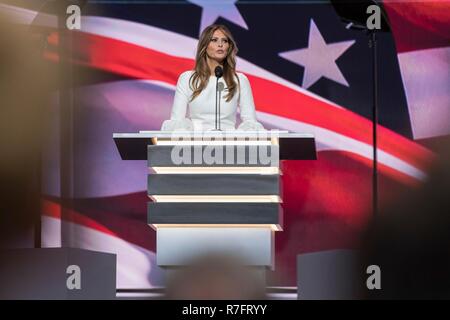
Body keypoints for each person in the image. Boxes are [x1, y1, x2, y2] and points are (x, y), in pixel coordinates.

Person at [161, 24, 264, 132]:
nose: (220, 44)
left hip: (229, 144)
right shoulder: (187, 78)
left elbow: (250, 122)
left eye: (225, 41)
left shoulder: (240, 80)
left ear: (229, 47)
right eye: (214, 40)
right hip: (195, 144)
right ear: (204, 46)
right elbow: (177, 120)